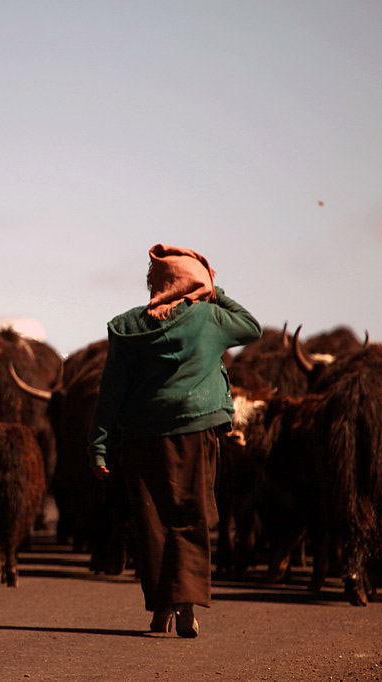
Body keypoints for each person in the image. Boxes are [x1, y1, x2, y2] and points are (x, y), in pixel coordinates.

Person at [87, 243, 261, 637]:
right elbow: (251, 326)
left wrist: (98, 446)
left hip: (141, 439)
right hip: (195, 433)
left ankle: (161, 606)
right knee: (191, 517)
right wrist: (214, 292)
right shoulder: (211, 318)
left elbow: (110, 393)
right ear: (195, 283)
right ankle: (185, 605)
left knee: (151, 523)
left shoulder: (128, 328)